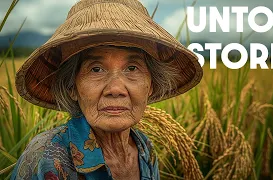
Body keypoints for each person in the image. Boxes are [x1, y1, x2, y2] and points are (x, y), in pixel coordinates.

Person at [11, 0, 203, 179]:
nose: (116, 89)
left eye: (132, 68)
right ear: (72, 87)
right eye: (96, 69)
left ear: (151, 85)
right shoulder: (47, 156)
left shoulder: (145, 148)